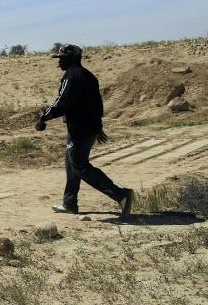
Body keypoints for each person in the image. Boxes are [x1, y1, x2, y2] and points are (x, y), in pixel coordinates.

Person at [35, 44, 134, 218]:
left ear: (71, 58)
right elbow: (96, 105)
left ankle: (121, 195)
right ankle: (69, 203)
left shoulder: (72, 77)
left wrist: (43, 117)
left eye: (61, 58)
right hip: (88, 128)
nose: (59, 63)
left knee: (80, 166)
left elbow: (62, 103)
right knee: (71, 164)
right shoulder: (89, 76)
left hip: (79, 130)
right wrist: (98, 127)